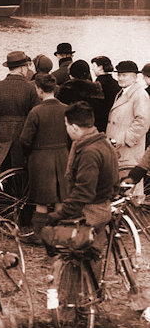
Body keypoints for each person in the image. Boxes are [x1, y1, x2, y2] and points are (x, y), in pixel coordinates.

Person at [46, 102, 119, 265]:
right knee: (93, 259)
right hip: (102, 208)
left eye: (66, 125)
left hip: (88, 213)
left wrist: (60, 213)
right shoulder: (103, 143)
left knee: (76, 262)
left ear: (74, 128)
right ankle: (94, 288)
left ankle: (84, 288)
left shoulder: (89, 152)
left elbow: (84, 192)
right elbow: (115, 180)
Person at [18, 73, 69, 242]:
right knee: (60, 197)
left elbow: (25, 139)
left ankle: (39, 235)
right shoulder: (66, 109)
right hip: (62, 156)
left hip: (41, 159)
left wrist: (28, 154)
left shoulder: (36, 111)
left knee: (42, 201)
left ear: (39, 90)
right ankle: (59, 234)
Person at [0, 51, 40, 172]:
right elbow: (36, 116)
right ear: (23, 68)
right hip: (22, 140)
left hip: (0, 139)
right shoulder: (31, 89)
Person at [105, 61, 150, 191]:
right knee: (122, 189)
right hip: (119, 150)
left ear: (135, 76)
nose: (120, 78)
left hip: (129, 150)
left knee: (130, 190)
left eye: (124, 75)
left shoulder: (140, 94)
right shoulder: (123, 93)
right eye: (119, 75)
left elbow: (143, 121)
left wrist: (126, 139)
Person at [91, 56, 120, 132]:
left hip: (100, 124)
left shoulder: (96, 85)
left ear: (100, 68)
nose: (92, 69)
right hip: (114, 123)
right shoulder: (116, 83)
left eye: (94, 66)